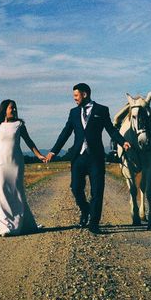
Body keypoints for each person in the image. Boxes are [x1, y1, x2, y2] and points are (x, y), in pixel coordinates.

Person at [44, 83, 131, 234]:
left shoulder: (101, 110)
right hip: (78, 157)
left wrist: (122, 142)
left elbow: (111, 129)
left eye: (76, 96)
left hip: (96, 158)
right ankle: (86, 210)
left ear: (85, 94)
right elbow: (65, 133)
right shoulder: (73, 112)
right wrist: (53, 151)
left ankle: (94, 224)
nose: (74, 99)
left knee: (97, 191)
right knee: (75, 187)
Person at [0, 99, 46, 237]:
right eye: (11, 108)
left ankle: (21, 224)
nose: (14, 110)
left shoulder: (19, 125)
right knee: (1, 189)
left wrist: (38, 155)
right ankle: (3, 226)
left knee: (17, 191)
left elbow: (29, 141)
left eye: (15, 108)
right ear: (4, 109)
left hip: (16, 162)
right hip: (0, 162)